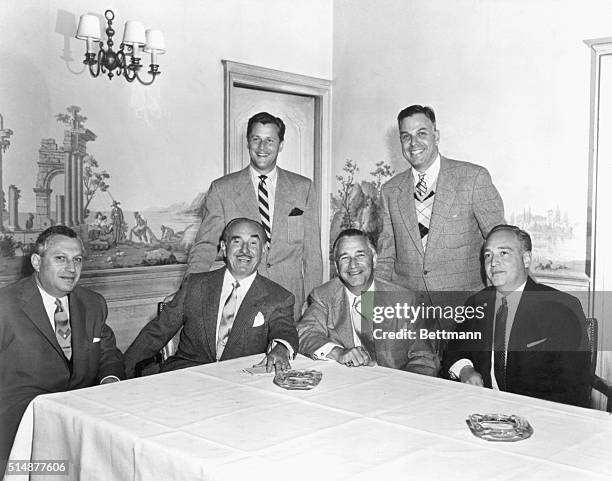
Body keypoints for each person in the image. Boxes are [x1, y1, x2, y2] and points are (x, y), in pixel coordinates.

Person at [0, 226, 125, 468]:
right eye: (60, 258)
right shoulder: (5, 305)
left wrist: (110, 383)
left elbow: (109, 355)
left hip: (82, 425)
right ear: (37, 261)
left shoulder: (93, 303)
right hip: (21, 431)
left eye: (77, 260)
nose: (71, 268)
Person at [186, 111, 323, 319]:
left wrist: (315, 304)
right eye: (256, 139)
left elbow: (312, 253)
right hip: (240, 299)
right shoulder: (222, 189)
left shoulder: (303, 188)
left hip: (291, 301)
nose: (262, 147)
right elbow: (204, 247)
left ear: (281, 145)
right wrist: (188, 292)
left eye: (270, 140)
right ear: (247, 142)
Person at [124, 218, 299, 376]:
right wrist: (118, 376)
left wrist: (282, 348)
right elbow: (156, 333)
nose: (244, 250)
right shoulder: (195, 285)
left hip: (242, 381)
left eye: (253, 243)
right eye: (236, 242)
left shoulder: (279, 297)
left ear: (264, 250)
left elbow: (284, 331)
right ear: (223, 247)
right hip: (187, 376)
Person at [442, 225, 590, 407]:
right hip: (480, 409)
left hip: (539, 416)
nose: (493, 262)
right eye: (487, 255)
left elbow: (574, 388)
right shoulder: (476, 303)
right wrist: (465, 370)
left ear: (526, 259)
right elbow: (452, 352)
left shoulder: (561, 308)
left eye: (503, 253)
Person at [376, 105, 505, 298]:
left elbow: (503, 244)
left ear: (436, 136)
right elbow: (386, 259)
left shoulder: (473, 178)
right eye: (406, 136)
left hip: (465, 311)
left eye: (421, 133)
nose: (413, 143)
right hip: (411, 315)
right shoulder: (389, 191)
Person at [297, 228, 439, 375]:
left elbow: (424, 358)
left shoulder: (405, 299)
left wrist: (400, 387)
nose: (353, 265)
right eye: (345, 258)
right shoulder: (324, 295)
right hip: (343, 385)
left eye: (360, 255)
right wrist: (338, 353)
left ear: (374, 259)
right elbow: (304, 333)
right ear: (337, 268)